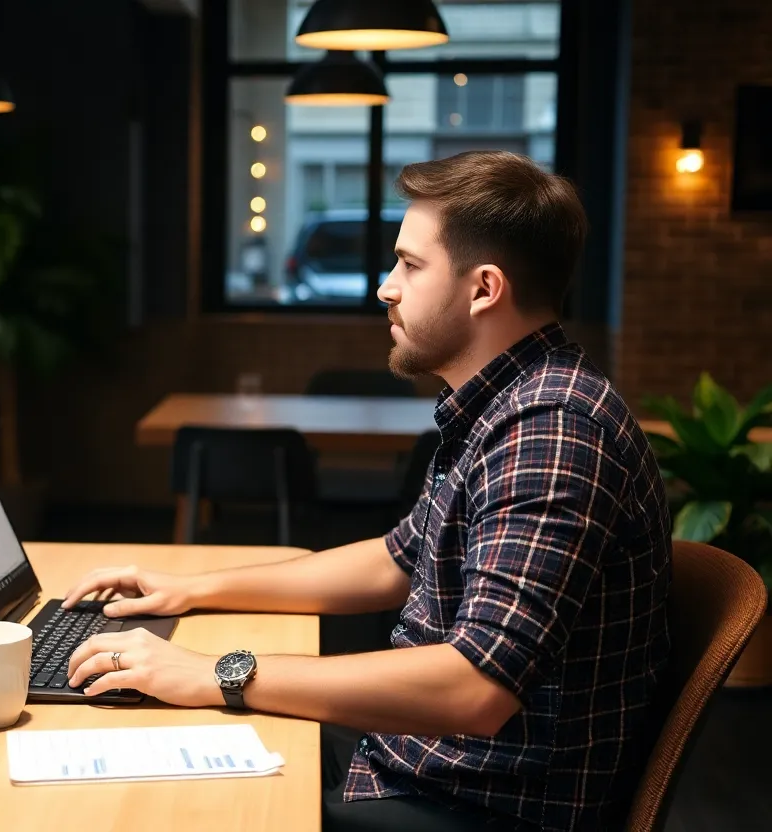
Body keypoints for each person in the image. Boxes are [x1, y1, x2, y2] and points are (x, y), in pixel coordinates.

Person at [64, 151, 672, 832]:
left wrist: (215, 673)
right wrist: (191, 588)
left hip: (478, 803)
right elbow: (395, 559)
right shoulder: (506, 403)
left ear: (484, 289)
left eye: (410, 266)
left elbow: (477, 688)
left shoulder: (551, 428)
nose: (387, 287)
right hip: (423, 763)